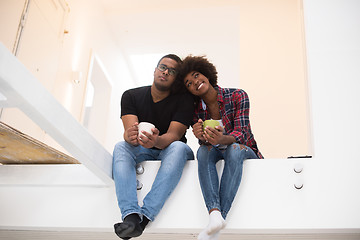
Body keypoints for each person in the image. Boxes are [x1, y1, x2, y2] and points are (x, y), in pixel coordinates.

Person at [177, 55, 263, 240]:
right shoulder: (196, 111)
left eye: (197, 75)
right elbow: (208, 145)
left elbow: (242, 134)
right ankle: (214, 214)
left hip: (245, 151)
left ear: (207, 74)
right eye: (189, 83)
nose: (195, 82)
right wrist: (201, 137)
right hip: (218, 151)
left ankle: (217, 220)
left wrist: (222, 139)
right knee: (202, 151)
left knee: (234, 149)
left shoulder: (238, 95)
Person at [112, 54, 195, 239]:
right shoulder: (131, 96)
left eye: (172, 71)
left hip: (171, 151)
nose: (165, 72)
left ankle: (145, 218)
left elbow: (174, 136)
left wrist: (155, 141)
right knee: (120, 146)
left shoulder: (184, 100)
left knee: (179, 148)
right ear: (155, 69)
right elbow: (130, 134)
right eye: (162, 67)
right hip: (143, 150)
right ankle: (131, 216)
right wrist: (129, 135)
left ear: (176, 80)